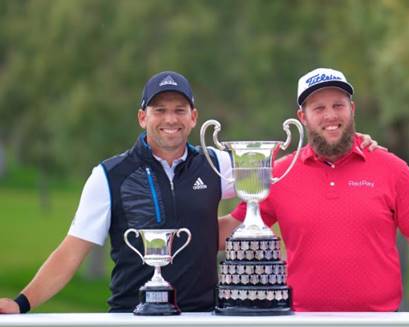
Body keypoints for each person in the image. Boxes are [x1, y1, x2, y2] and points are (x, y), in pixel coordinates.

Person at [0, 70, 381, 314]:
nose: (170, 119)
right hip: (131, 317)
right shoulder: (109, 176)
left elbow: (284, 169)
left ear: (194, 117)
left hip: (205, 317)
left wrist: (346, 143)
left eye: (180, 110)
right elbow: (71, 252)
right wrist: (21, 303)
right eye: (160, 110)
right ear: (142, 117)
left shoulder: (219, 163)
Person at [219, 67, 409, 312]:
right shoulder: (279, 174)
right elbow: (228, 234)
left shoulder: (393, 169)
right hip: (302, 320)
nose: (330, 115)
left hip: (380, 321)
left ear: (352, 109)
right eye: (319, 108)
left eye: (338, 105)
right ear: (302, 116)